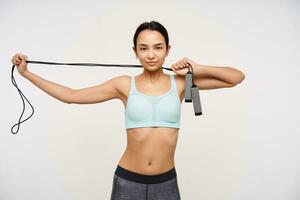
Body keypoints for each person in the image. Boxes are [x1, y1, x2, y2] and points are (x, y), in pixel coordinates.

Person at [11, 21, 245, 200]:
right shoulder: (124, 84)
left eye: (157, 47)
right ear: (135, 51)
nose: (151, 54)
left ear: (168, 49)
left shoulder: (181, 83)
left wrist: (198, 67)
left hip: (166, 182)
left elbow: (236, 78)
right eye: (143, 48)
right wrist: (26, 73)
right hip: (128, 181)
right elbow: (71, 96)